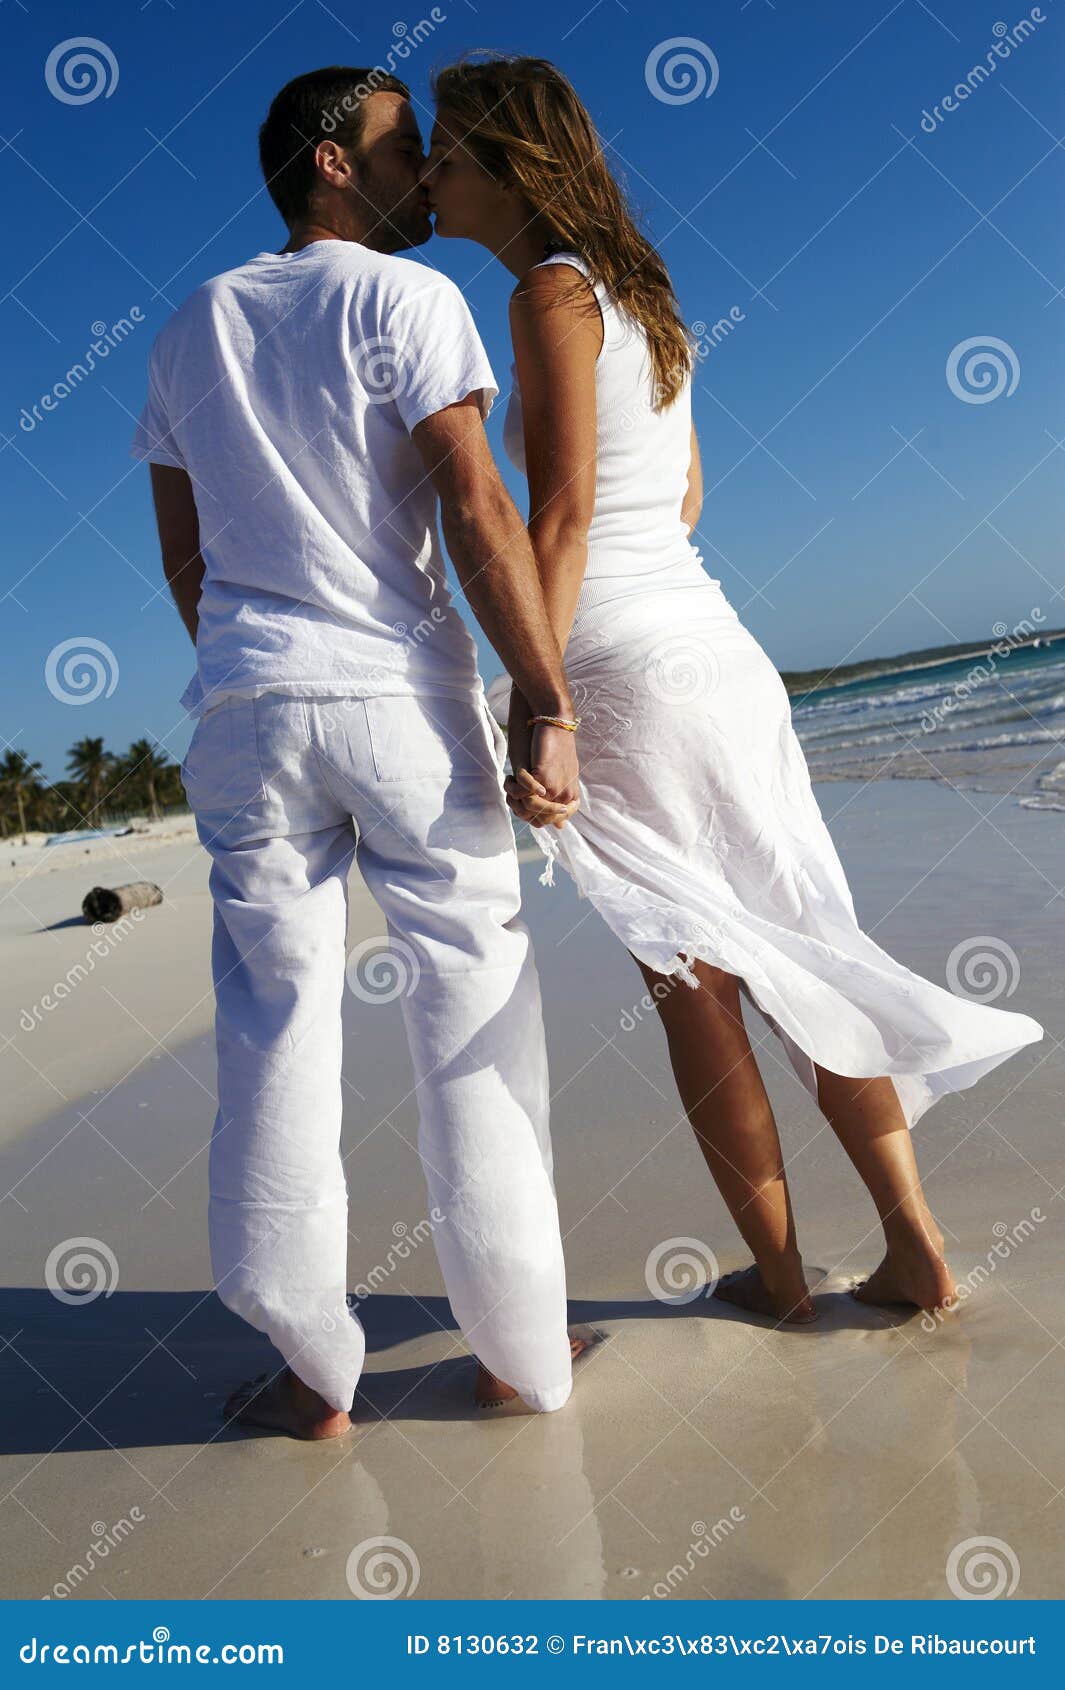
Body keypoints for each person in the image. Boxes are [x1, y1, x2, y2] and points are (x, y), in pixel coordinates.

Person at [422, 53, 1045, 1324]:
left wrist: (541, 701)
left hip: (622, 666)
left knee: (693, 987)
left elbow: (564, 516)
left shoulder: (547, 293)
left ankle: (781, 1281)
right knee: (803, 947)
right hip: (721, 655)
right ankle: (915, 1246)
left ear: (510, 166)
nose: (429, 174)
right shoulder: (644, 296)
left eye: (446, 151)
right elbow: (689, 496)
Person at [131, 66, 586, 1439]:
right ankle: (516, 1352)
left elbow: (185, 558)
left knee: (273, 1022)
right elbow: (477, 502)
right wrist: (544, 696)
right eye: (404, 149)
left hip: (249, 708)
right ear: (331, 161)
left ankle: (309, 1372)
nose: (427, 174)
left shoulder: (189, 325)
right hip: (397, 700)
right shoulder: (409, 298)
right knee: (472, 995)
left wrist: (252, 667)